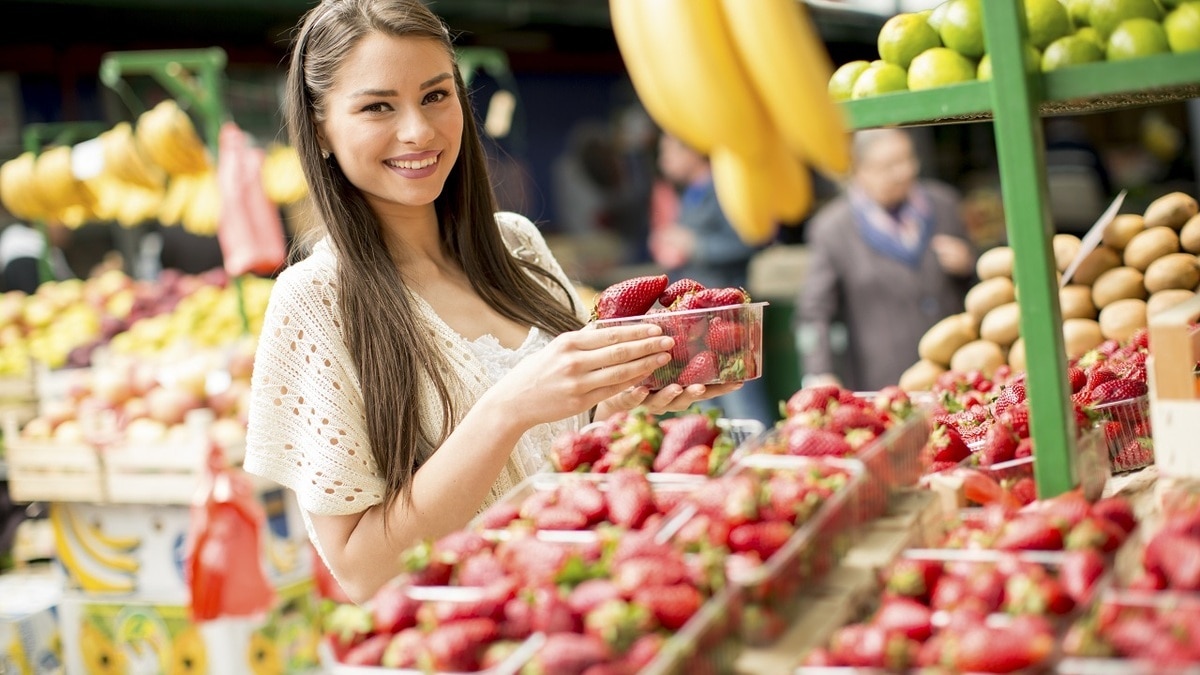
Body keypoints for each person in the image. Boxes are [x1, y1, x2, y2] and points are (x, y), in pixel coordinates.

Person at [243, 0, 739, 604]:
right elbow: (362, 572)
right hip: (476, 634)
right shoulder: (314, 302)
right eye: (378, 106)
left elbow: (561, 469)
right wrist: (508, 409)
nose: (419, 131)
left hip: (588, 605)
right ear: (321, 128)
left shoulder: (517, 246)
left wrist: (622, 401)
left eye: (435, 95)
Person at [798, 128, 975, 392]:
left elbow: (981, 288)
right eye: (889, 166)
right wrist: (819, 372)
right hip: (885, 382)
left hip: (956, 373)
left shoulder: (943, 203)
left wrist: (968, 264)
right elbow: (814, 312)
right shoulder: (832, 229)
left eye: (908, 159)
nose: (904, 172)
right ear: (860, 171)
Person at [650, 133, 775, 425]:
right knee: (704, 404)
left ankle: (758, 450)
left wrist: (694, 245)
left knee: (740, 397)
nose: (663, 162)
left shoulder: (725, 190)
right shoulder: (688, 194)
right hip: (697, 321)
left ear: (692, 152)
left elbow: (750, 242)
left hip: (728, 316)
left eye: (669, 153)